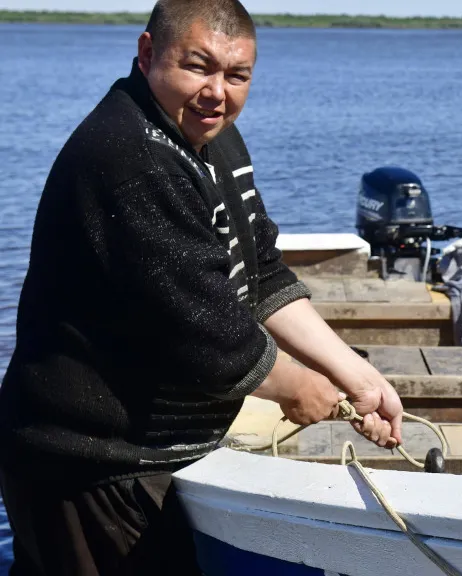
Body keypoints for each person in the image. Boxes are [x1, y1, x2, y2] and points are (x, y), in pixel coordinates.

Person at [0, 0, 405, 574]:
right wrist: (302, 387)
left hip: (155, 451)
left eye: (237, 75)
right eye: (198, 67)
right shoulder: (130, 158)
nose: (217, 91)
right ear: (147, 54)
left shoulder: (215, 138)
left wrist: (359, 377)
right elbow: (207, 338)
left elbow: (261, 274)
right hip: (88, 463)